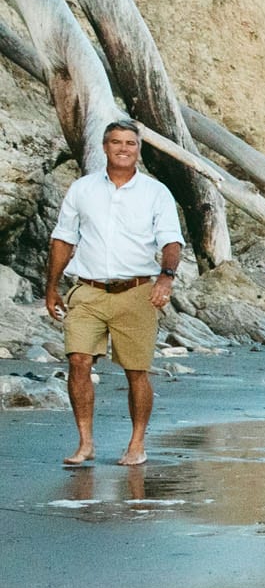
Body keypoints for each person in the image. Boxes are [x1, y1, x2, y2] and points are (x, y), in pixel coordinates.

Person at [43, 120, 184, 467]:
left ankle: (136, 443)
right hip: (88, 291)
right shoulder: (82, 189)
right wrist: (52, 286)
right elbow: (63, 238)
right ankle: (85, 442)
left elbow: (171, 240)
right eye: (116, 142)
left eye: (130, 143)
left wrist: (166, 278)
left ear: (139, 150)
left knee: (136, 371)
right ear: (104, 147)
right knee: (78, 361)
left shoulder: (156, 193)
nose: (123, 148)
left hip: (137, 292)